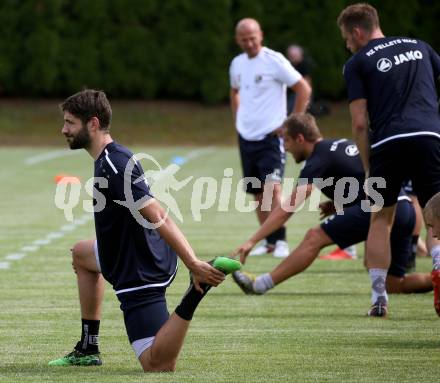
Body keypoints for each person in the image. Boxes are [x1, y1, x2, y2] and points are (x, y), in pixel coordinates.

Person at [48, 89, 239, 372]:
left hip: (138, 270)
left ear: (93, 124)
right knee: (81, 254)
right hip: (125, 253)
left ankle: (196, 291)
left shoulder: (115, 164)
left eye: (70, 123)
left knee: (157, 363)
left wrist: (193, 263)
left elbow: (159, 214)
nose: (64, 129)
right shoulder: (108, 157)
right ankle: (88, 347)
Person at [231, 114, 432, 304]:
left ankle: (260, 284)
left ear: (300, 138)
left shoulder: (318, 158)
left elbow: (287, 208)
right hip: (404, 209)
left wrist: (252, 241)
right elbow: (365, 177)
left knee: (314, 237)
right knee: (394, 284)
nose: (285, 148)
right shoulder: (338, 145)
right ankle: (437, 279)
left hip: (379, 208)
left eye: (287, 141)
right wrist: (339, 203)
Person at [337, 3, 440, 316]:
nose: (347, 45)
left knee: (380, 218)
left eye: (346, 38)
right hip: (429, 136)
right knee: (436, 208)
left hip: (388, 141)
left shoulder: (358, 62)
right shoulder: (420, 47)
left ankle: (379, 297)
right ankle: (439, 269)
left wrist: (369, 170)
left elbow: (358, 123)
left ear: (358, 31)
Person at [229, 18, 312, 259]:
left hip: (271, 136)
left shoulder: (274, 60)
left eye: (253, 38)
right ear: (238, 40)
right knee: (257, 193)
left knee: (272, 188)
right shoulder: (236, 64)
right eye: (244, 40)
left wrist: (291, 123)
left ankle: (281, 241)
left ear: (261, 35)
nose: (249, 43)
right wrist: (238, 119)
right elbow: (234, 91)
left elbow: (303, 89)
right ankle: (268, 242)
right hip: (246, 136)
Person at [286, 44, 313, 114]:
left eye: (293, 56)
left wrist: (308, 97)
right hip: (292, 93)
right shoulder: (289, 65)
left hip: (299, 92)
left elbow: (307, 81)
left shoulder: (304, 65)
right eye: (290, 56)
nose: (291, 58)